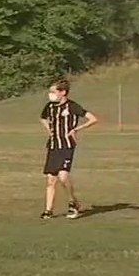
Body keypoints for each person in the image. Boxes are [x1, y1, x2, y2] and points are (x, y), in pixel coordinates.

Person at [40, 79, 99, 219]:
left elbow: (93, 119)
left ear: (63, 92)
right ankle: (48, 210)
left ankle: (73, 202)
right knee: (50, 179)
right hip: (53, 145)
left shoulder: (72, 106)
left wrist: (76, 129)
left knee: (63, 176)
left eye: (54, 92)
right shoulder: (50, 106)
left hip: (66, 145)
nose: (51, 95)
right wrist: (49, 129)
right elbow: (43, 118)